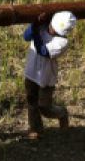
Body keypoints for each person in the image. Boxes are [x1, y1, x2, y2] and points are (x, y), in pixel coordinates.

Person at [23, 11, 76, 139]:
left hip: (46, 78)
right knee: (32, 102)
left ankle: (61, 113)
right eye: (51, 27)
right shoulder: (41, 27)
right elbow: (26, 36)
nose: (52, 31)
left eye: (55, 30)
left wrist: (36, 28)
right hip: (31, 72)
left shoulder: (62, 42)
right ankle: (35, 128)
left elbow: (43, 51)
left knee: (44, 107)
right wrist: (35, 24)